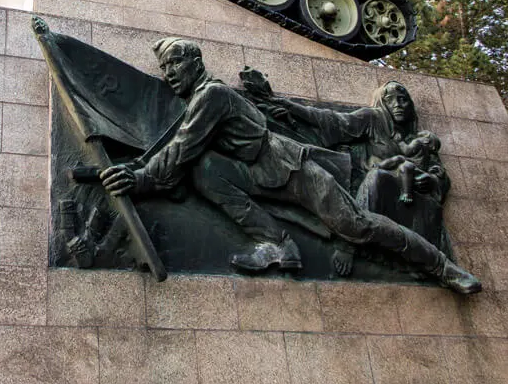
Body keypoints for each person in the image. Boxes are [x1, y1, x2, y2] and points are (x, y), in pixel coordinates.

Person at [98, 37, 481, 294]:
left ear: (195, 62)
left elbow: (182, 147)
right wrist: (140, 172)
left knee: (358, 226)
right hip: (256, 174)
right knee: (205, 171)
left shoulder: (212, 95)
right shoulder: (200, 98)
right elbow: (180, 150)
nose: (167, 74)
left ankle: (444, 268)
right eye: (164, 68)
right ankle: (277, 244)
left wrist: (140, 177)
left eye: (173, 65)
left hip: (292, 171)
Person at [266, 80, 455, 257]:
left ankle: (426, 256)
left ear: (410, 106)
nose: (397, 104)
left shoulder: (423, 138)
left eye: (403, 100)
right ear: (382, 103)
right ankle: (351, 245)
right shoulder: (373, 118)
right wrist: (289, 106)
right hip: (381, 190)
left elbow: (438, 171)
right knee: (377, 178)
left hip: (413, 199)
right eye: (390, 100)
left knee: (428, 209)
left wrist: (432, 180)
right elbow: (333, 120)